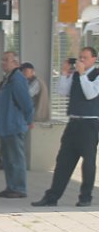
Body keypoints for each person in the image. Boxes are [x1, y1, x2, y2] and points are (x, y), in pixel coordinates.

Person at [32, 47, 99, 207]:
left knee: (88, 162)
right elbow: (62, 91)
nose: (81, 61)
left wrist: (83, 75)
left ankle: (85, 197)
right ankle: (52, 197)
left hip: (89, 123)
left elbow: (91, 94)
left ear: (94, 59)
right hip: (73, 122)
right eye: (79, 57)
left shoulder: (95, 76)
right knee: (63, 161)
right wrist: (64, 73)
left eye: (85, 58)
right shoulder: (75, 75)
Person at [0, 52, 34, 199]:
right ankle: (11, 186)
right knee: (8, 159)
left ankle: (19, 187)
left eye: (6, 60)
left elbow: (26, 103)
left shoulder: (17, 79)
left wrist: (29, 120)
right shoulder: (8, 78)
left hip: (14, 124)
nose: (3, 63)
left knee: (16, 157)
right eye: (2, 59)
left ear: (16, 63)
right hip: (5, 125)